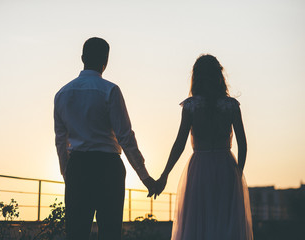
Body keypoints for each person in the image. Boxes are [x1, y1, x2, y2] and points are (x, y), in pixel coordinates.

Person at [54, 37, 155, 240]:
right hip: (108, 168)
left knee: (76, 232)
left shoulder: (62, 94)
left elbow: (60, 139)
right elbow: (125, 137)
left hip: (78, 166)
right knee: (110, 232)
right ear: (106, 60)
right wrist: (145, 176)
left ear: (82, 58)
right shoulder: (110, 90)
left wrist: (67, 173)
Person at [155, 54, 253, 240]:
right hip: (226, 167)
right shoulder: (231, 105)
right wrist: (238, 173)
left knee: (198, 222)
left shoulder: (191, 106)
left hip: (200, 168)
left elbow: (179, 144)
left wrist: (164, 174)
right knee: (225, 222)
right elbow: (243, 144)